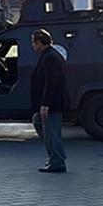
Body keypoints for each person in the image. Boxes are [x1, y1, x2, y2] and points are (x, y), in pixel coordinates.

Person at [30, 29, 69, 173]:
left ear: (39, 42)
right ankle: (55, 158)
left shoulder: (50, 57)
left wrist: (45, 104)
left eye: (33, 42)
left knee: (52, 132)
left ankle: (57, 161)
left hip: (52, 104)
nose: (33, 46)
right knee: (41, 124)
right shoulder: (50, 55)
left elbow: (50, 83)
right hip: (51, 102)